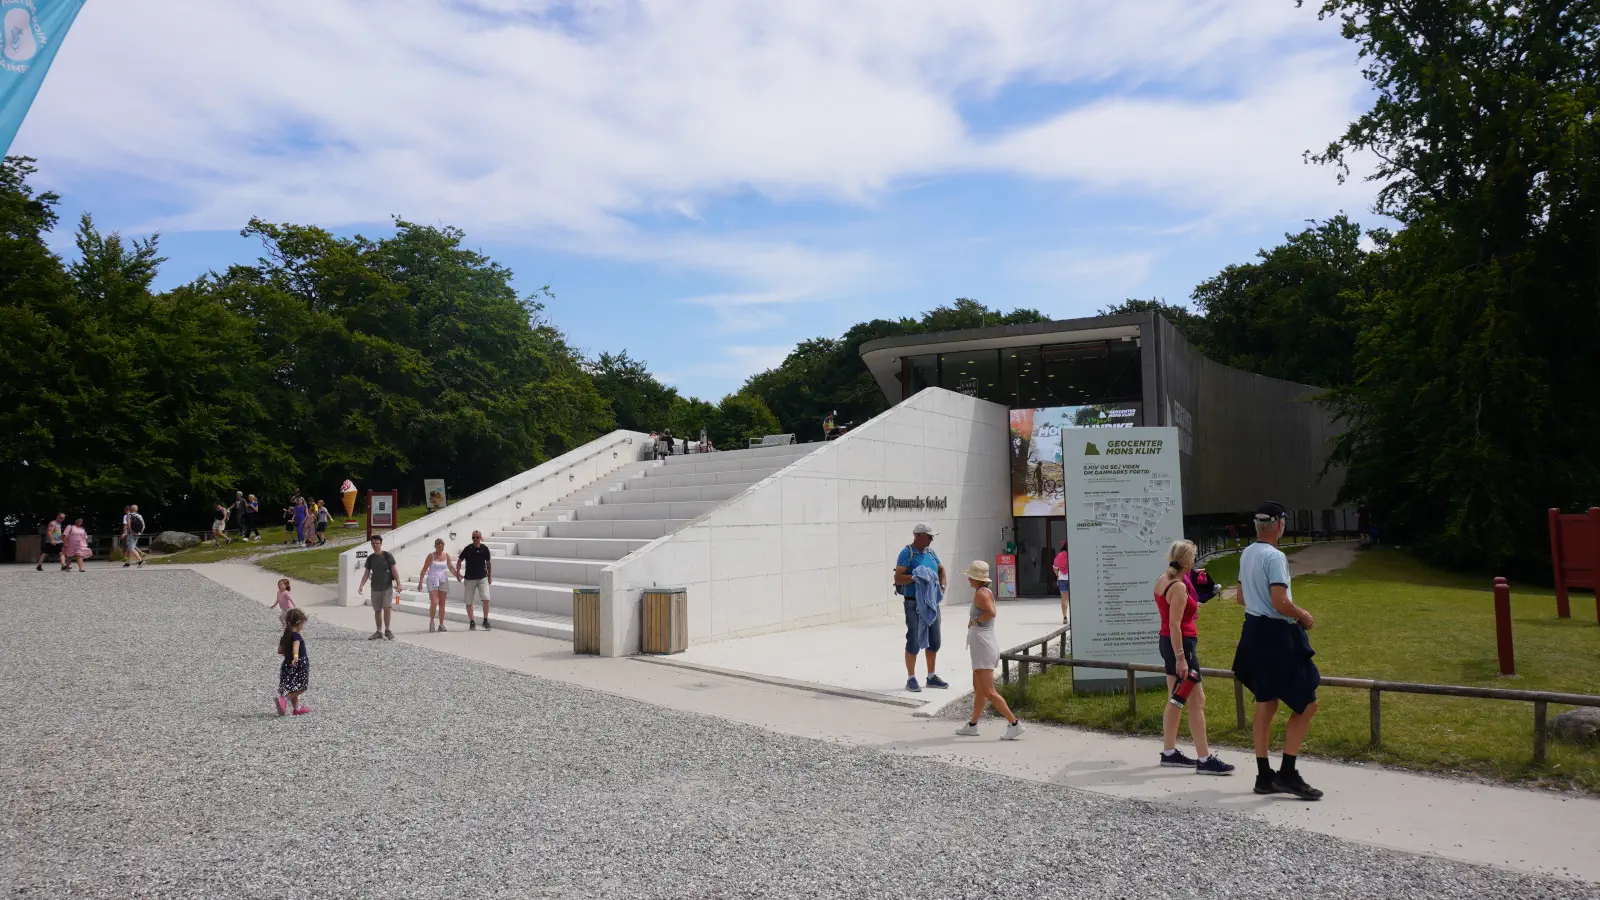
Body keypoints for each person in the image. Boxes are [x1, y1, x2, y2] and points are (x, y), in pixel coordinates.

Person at [1232, 501, 1323, 800]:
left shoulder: (1247, 553)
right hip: (1278, 635)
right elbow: (1280, 600)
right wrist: (1302, 615)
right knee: (1308, 703)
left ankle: (1263, 776)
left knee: (1266, 702)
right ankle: (1288, 773)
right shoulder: (1275, 557)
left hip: (1253, 631)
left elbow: (1241, 597)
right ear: (1281, 525)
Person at [1155, 539, 1234, 775]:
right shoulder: (1178, 586)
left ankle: (1169, 753)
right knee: (1196, 701)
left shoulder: (1163, 579)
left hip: (1168, 643)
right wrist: (1181, 658)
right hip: (1181, 645)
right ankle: (1204, 758)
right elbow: (1175, 624)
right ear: (1188, 560)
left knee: (1175, 699)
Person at [955, 561, 1024, 740]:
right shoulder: (984, 592)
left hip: (983, 645)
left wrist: (975, 622)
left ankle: (1014, 723)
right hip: (982, 644)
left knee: (988, 690)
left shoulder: (981, 593)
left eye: (970, 576)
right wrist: (975, 623)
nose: (968, 578)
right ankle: (973, 724)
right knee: (979, 688)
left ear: (975, 578)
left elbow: (991, 612)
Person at [892, 522, 948, 693]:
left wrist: (942, 586)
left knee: (934, 640)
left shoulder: (931, 553)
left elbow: (941, 569)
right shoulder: (907, 553)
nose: (931, 539)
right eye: (929, 536)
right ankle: (911, 678)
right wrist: (915, 578)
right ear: (918, 535)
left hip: (931, 603)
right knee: (914, 640)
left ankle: (931, 676)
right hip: (913, 603)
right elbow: (898, 578)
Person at [356, 535, 398, 641]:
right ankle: (379, 631)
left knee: (387, 608)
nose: (375, 545)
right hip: (375, 587)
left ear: (381, 543)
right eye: (373, 543)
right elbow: (366, 573)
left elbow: (394, 570)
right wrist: (361, 585)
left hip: (387, 587)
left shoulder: (387, 556)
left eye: (377, 543)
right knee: (377, 610)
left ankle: (387, 630)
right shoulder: (370, 558)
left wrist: (399, 583)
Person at [417, 538, 458, 633]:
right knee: (434, 602)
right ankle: (432, 622)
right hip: (432, 579)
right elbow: (424, 569)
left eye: (442, 546)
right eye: (439, 546)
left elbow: (450, 567)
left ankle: (441, 624)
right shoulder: (431, 556)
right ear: (435, 546)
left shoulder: (446, 555)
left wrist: (457, 575)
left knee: (442, 603)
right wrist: (420, 582)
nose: (441, 547)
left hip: (443, 579)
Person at [275, 608, 311, 716]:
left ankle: (297, 708)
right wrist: (295, 656)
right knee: (301, 687)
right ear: (298, 624)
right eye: (302, 624)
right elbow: (296, 647)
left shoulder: (285, 636)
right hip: (298, 664)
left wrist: (288, 654)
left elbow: (279, 651)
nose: (302, 627)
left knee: (293, 686)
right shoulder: (296, 636)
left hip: (287, 664)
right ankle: (284, 700)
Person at [457, 530, 493, 631]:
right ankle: (472, 622)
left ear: (481, 538)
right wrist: (458, 573)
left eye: (477, 537)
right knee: (469, 601)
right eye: (473, 537)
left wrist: (490, 576)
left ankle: (485, 621)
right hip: (469, 578)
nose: (475, 539)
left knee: (486, 598)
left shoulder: (485, 549)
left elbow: (488, 563)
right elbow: (459, 561)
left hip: (483, 577)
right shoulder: (468, 549)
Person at [1052, 541, 1070, 625]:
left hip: (1062, 579)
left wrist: (1058, 575)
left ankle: (1065, 617)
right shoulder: (1075, 553)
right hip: (1073, 579)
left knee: (1064, 599)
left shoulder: (1060, 555)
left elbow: (1055, 568)